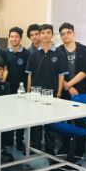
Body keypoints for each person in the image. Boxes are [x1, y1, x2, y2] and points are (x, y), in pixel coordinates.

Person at [25, 24, 68, 154]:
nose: (45, 35)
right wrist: (28, 92)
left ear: (52, 35)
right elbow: (30, 74)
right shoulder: (34, 54)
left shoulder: (59, 54)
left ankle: (50, 148)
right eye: (42, 33)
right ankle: (34, 146)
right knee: (35, 121)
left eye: (48, 32)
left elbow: (61, 76)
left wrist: (59, 92)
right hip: (36, 93)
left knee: (50, 122)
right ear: (39, 35)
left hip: (52, 93)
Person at [58, 22, 86, 158]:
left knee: (80, 120)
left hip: (80, 90)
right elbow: (57, 71)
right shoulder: (58, 50)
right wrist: (67, 86)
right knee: (63, 120)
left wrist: (70, 84)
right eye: (63, 34)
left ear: (74, 33)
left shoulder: (84, 49)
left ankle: (79, 149)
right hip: (63, 88)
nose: (66, 35)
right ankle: (65, 146)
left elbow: (85, 71)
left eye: (68, 32)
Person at [5, 26, 30, 151]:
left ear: (20, 38)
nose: (14, 39)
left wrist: (28, 90)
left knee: (21, 116)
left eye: (16, 36)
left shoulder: (27, 53)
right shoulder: (6, 53)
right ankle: (8, 140)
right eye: (12, 36)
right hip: (8, 90)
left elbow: (29, 74)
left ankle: (19, 141)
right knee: (8, 115)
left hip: (22, 89)